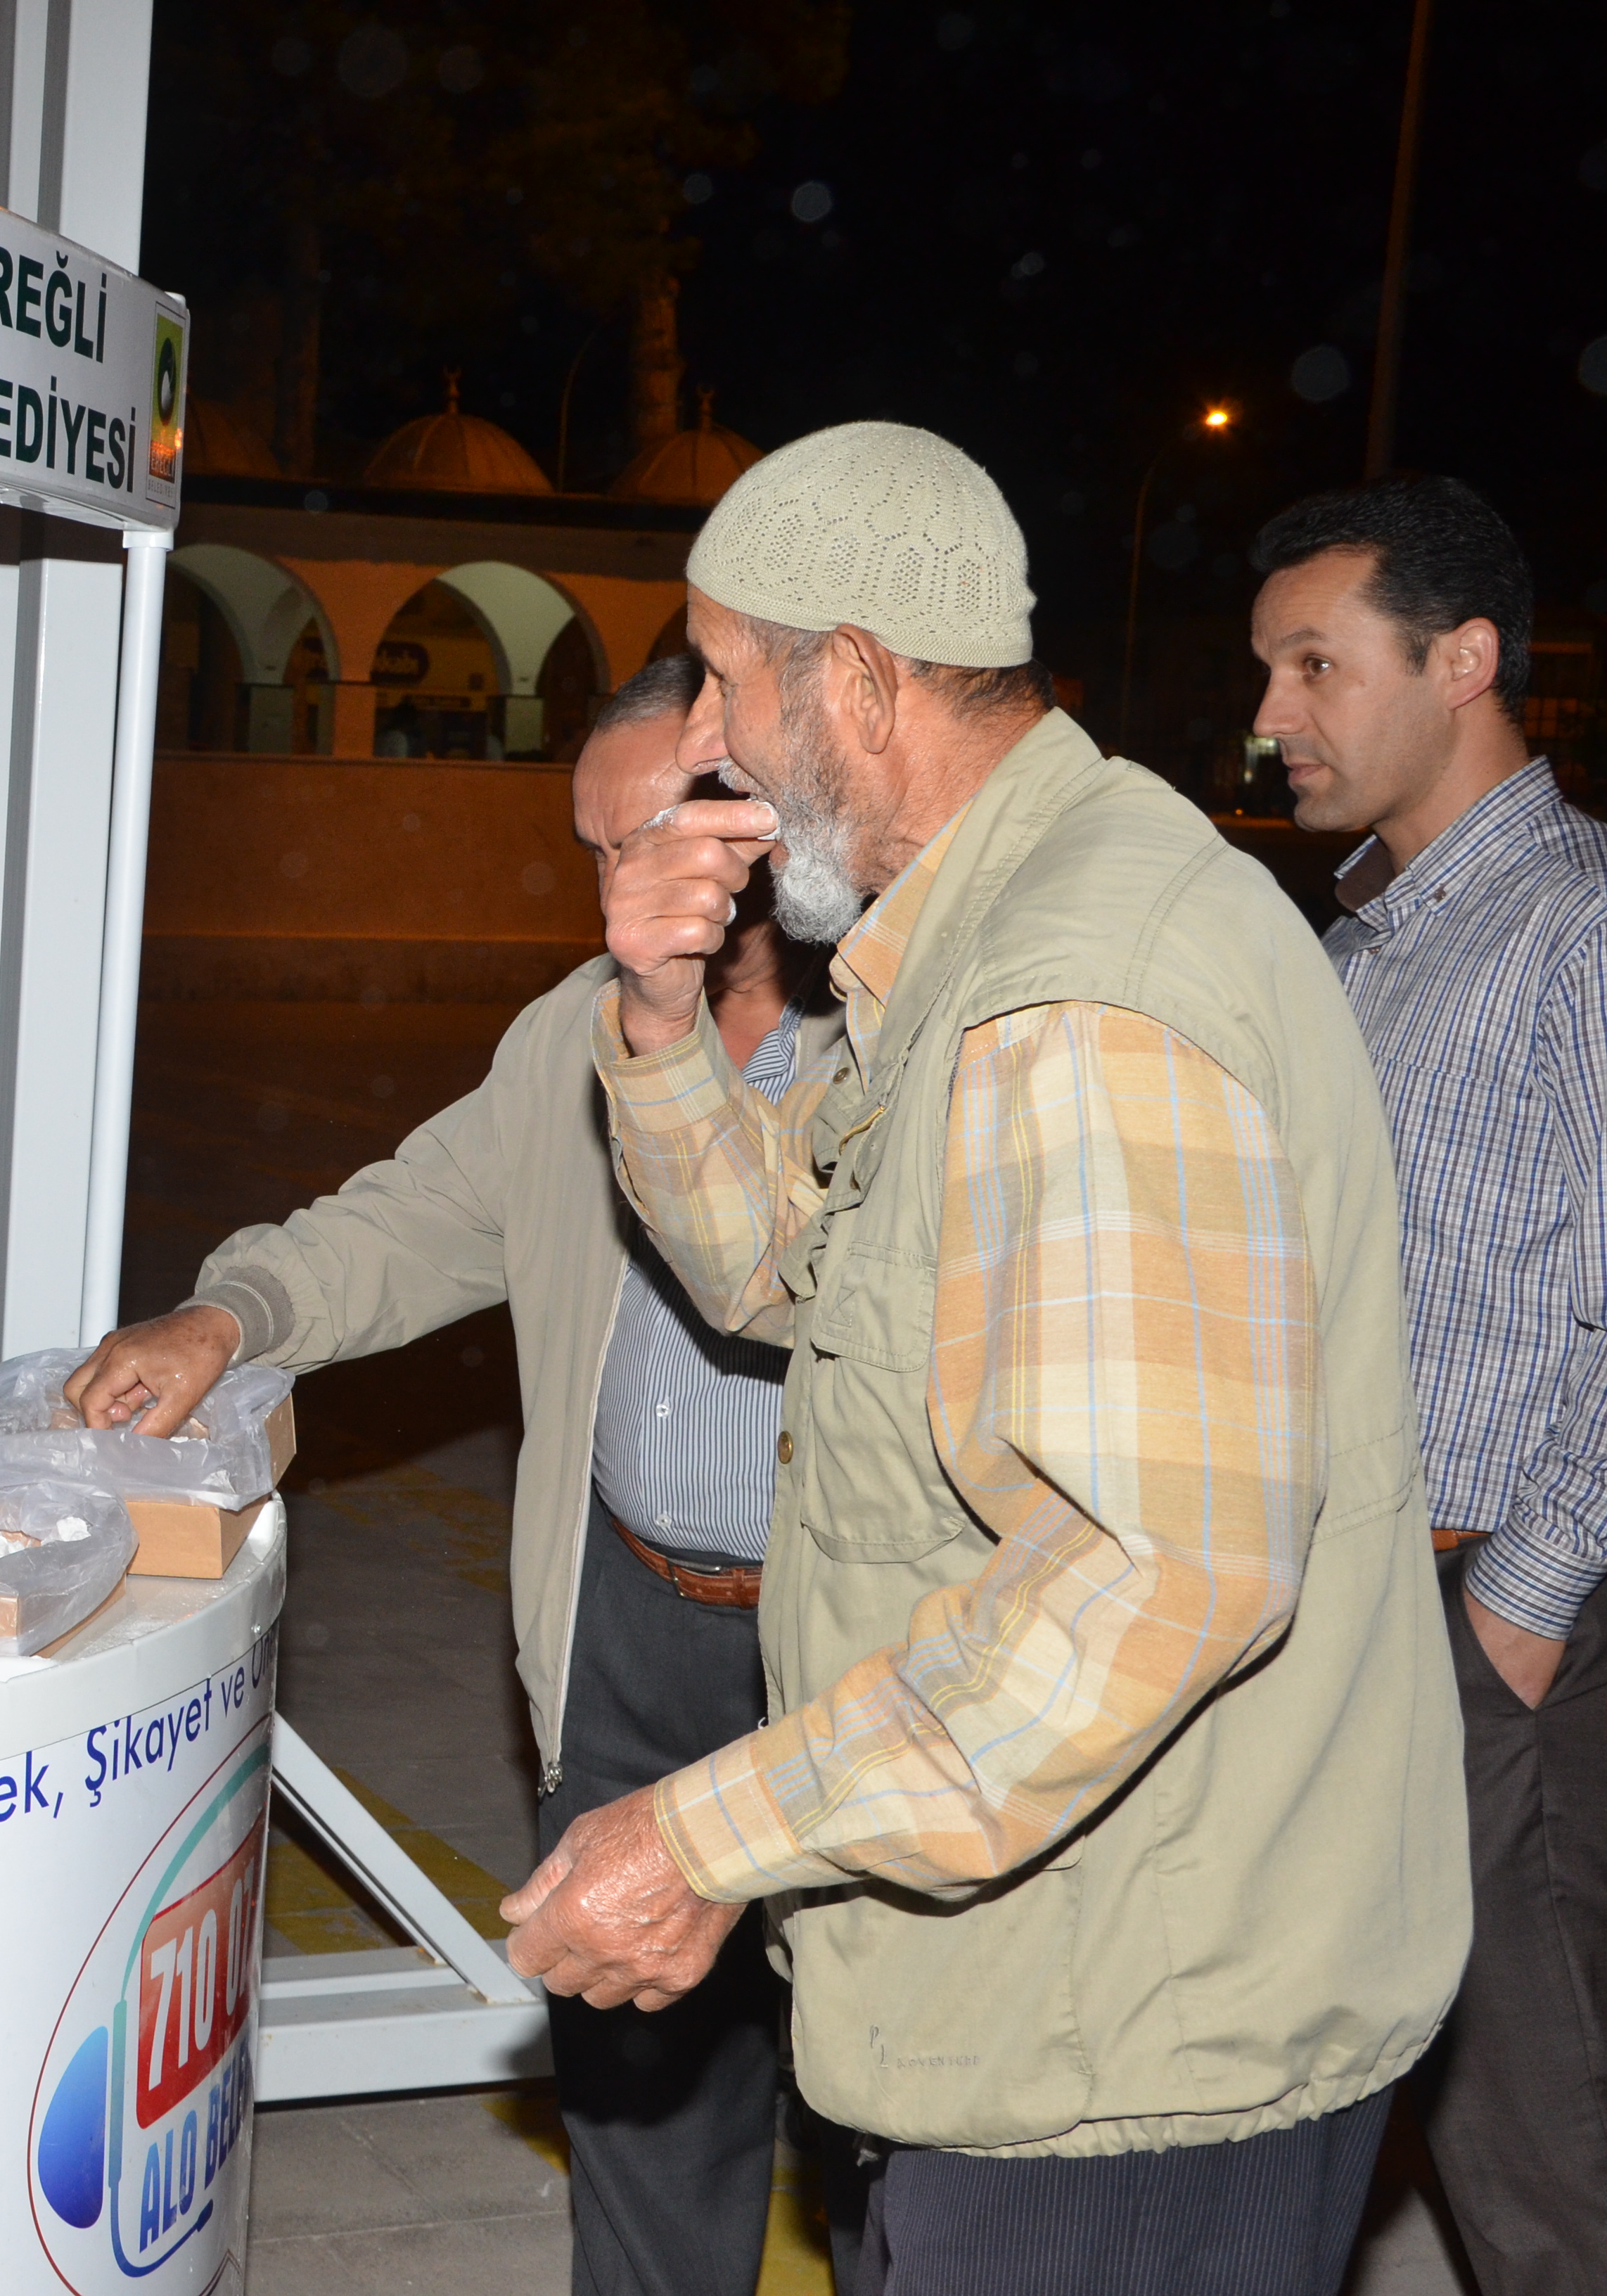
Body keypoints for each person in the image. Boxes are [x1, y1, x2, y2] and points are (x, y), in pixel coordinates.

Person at [501, 420, 1466, 2295]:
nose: (706, 735)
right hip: (1058, 1992)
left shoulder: (1077, 989)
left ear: (855, 683)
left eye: (728, 673)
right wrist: (656, 1006)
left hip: (1134, 2045)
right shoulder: (978, 933)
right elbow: (788, 1274)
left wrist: (709, 1834)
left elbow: (1152, 1571)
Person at [68, 649, 840, 2296]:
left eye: (647, 850)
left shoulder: (913, 1043)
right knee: (640, 2110)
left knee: (883, 2111)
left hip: (856, 1658)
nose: (612, 893)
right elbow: (417, 1220)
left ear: (763, 835)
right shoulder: (577, 1029)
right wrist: (229, 1314)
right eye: (594, 857)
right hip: (631, 1630)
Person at [1250, 475, 1607, 2296]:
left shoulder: (1575, 928)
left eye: (1316, 665)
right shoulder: (1364, 941)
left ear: (1463, 660)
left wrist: (1517, 1622)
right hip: (1375, 1597)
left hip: (1496, 1626)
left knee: (1542, 2158)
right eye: (1266, 671)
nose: (1271, 718)